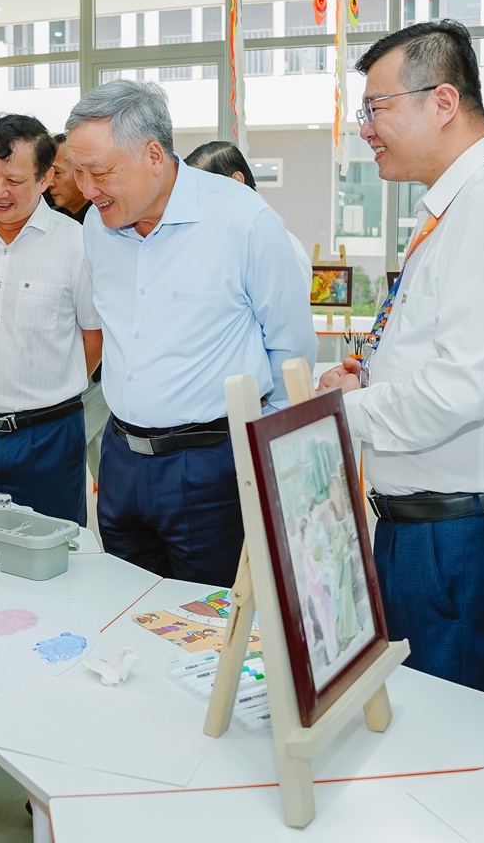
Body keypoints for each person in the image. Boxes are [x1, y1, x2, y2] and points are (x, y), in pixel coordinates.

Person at [314, 21, 484, 698]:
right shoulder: (452, 209)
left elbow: (459, 391)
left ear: (443, 102)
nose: (364, 128)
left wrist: (338, 409)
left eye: (376, 108)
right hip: (428, 522)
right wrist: (372, 377)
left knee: (448, 731)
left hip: (456, 535)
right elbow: (444, 352)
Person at [63, 80, 315, 586]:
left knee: (210, 626)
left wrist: (266, 467)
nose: (87, 191)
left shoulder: (243, 224)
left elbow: (291, 355)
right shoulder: (97, 226)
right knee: (129, 611)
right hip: (121, 461)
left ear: (154, 155)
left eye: (100, 173)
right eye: (79, 173)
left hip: (211, 468)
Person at [0, 114, 101, 525]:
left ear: (46, 177)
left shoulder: (76, 244)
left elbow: (93, 335)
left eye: (13, 180)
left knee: (56, 551)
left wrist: (51, 392)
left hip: (48, 435)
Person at [47, 133, 111, 483]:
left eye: (57, 172)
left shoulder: (103, 222)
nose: (50, 182)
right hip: (69, 367)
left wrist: (78, 377)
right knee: (96, 451)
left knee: (65, 450)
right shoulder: (54, 219)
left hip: (94, 371)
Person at [185, 140, 312, 290]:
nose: (197, 201)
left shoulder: (276, 244)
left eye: (204, 190)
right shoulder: (214, 240)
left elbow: (288, 311)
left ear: (237, 182)